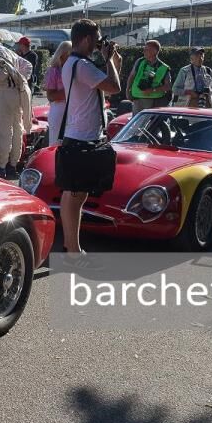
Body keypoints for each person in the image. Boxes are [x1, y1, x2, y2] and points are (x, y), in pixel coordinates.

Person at [57, 19, 122, 254]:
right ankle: (74, 251)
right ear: (85, 39)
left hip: (77, 136)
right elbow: (114, 86)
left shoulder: (73, 63)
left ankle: (70, 246)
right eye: (96, 39)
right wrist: (108, 60)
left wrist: (113, 61)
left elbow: (109, 84)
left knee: (72, 195)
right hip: (83, 138)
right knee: (76, 196)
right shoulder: (82, 66)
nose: (97, 44)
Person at [0, 32, 35, 179]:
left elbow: (0, 75)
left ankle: (2, 166)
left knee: (5, 132)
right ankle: (13, 165)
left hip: (4, 95)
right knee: (17, 130)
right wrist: (20, 80)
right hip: (16, 93)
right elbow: (27, 65)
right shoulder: (9, 51)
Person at [127, 39, 172, 113]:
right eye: (144, 49)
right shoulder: (140, 61)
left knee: (153, 124)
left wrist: (152, 90)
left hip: (155, 101)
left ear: (155, 51)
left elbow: (168, 86)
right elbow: (131, 76)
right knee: (138, 123)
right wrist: (127, 90)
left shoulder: (164, 68)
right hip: (138, 100)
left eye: (147, 49)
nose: (144, 51)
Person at [44, 41, 72, 147]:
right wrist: (71, 91)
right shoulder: (54, 71)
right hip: (59, 110)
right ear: (63, 54)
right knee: (56, 144)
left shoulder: (75, 69)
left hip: (73, 110)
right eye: (71, 54)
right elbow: (50, 96)